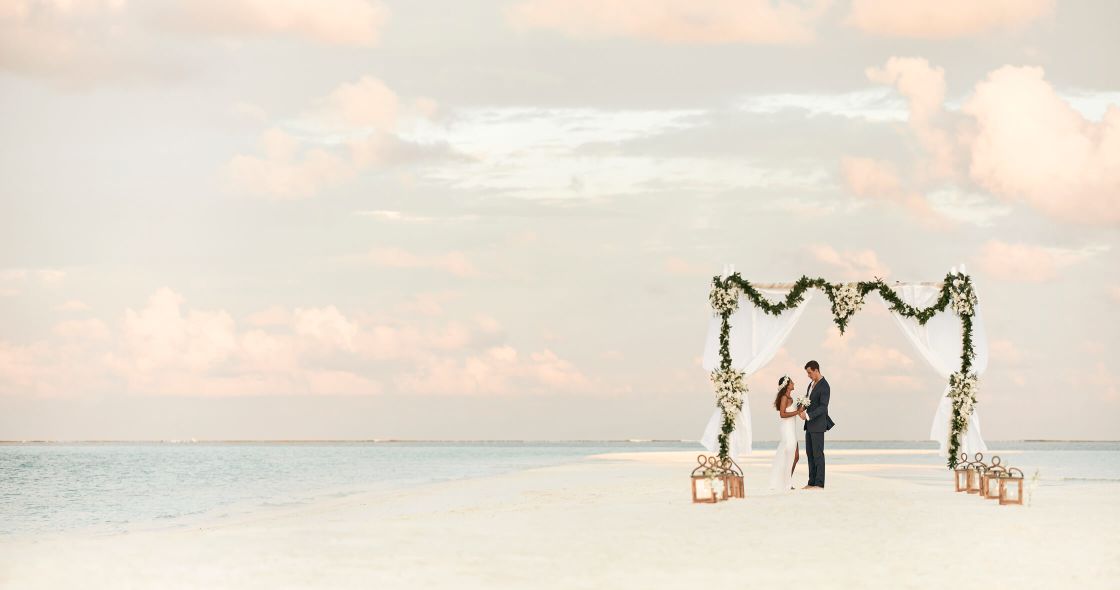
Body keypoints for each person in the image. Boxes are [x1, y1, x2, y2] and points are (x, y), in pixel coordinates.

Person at [800, 360, 835, 489]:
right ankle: (811, 482)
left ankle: (819, 484)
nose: (808, 375)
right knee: (809, 454)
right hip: (809, 425)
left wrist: (808, 415)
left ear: (816, 370)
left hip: (818, 425)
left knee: (818, 454)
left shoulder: (825, 386)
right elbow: (807, 401)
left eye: (809, 373)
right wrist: (801, 409)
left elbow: (823, 407)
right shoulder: (811, 384)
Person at [767, 375, 801, 493]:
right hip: (787, 429)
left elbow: (797, 412)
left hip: (792, 429)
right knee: (790, 456)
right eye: (791, 382)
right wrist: (797, 412)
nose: (793, 383)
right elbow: (782, 414)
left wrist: (801, 408)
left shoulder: (791, 398)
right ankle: (786, 483)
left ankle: (786, 481)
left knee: (795, 457)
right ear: (787, 385)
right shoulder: (784, 398)